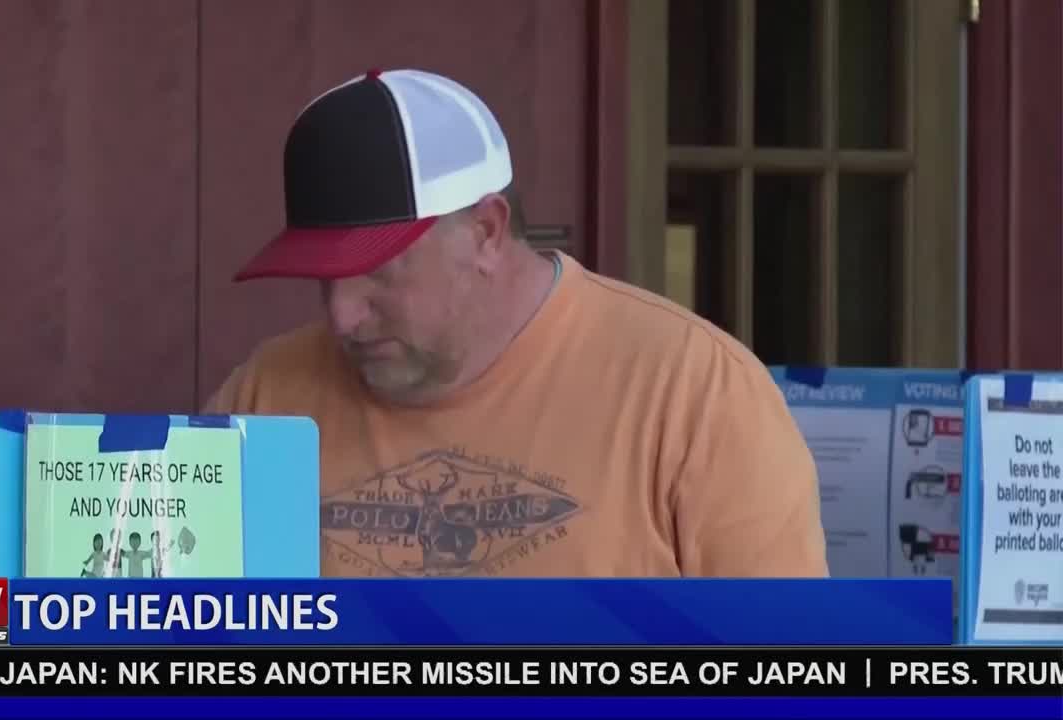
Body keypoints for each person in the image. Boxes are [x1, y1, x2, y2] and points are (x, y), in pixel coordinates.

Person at [207, 68, 828, 579]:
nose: (342, 316)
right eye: (323, 277)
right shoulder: (265, 401)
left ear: (485, 231)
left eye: (378, 272)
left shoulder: (696, 395)